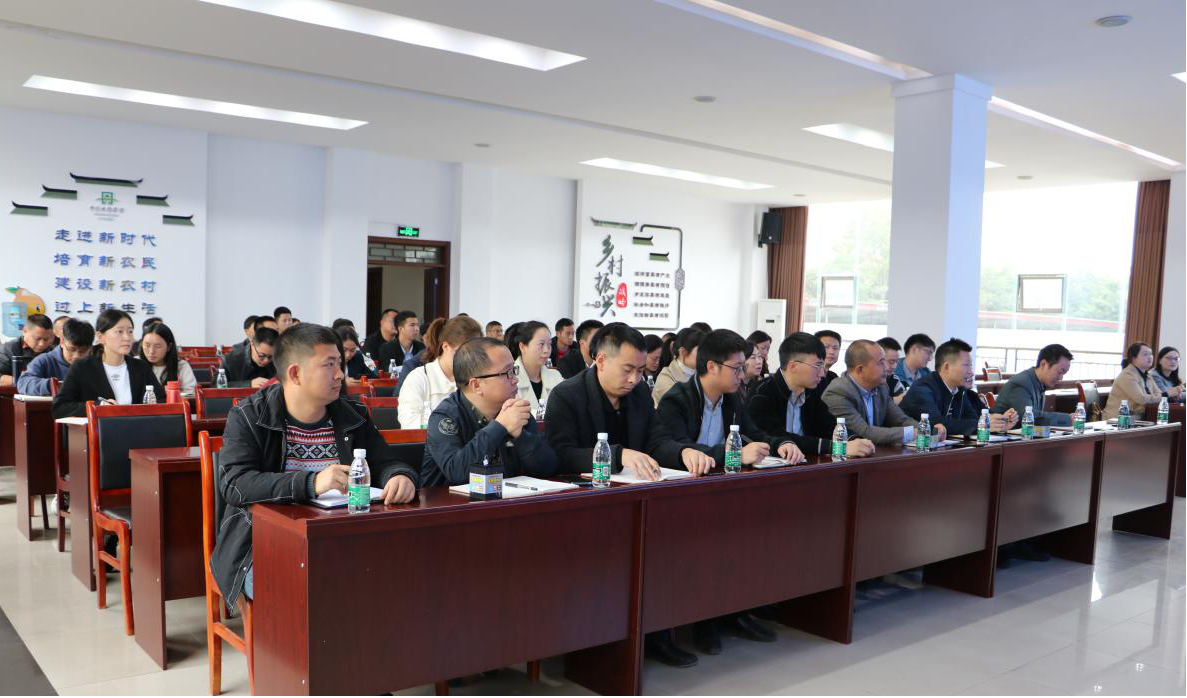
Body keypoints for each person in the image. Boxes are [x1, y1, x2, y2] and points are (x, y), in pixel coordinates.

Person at [210, 324, 418, 608]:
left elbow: (386, 461)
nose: (339, 374)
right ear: (295, 373)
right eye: (329, 365)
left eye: (340, 363)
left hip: (342, 538)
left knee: (401, 576)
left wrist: (400, 476)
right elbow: (236, 484)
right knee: (314, 592)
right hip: (262, 544)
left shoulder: (352, 414)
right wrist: (311, 483)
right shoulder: (249, 415)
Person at [544, 322, 713, 669]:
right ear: (601, 360)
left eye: (640, 370)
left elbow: (656, 441)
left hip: (636, 500)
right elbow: (561, 455)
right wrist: (620, 455)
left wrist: (683, 452)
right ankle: (598, 645)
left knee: (664, 552)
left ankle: (657, 636)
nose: (635, 378)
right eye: (627, 369)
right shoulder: (567, 395)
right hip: (585, 506)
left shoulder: (638, 395)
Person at [655, 330, 795, 654]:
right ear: (711, 366)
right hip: (681, 497)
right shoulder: (677, 399)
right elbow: (674, 448)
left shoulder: (732, 398)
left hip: (722, 492)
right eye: (736, 367)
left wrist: (782, 444)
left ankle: (733, 612)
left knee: (745, 541)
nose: (742, 374)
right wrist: (732, 454)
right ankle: (700, 623)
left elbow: (754, 433)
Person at [422, 338, 559, 487]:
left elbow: (548, 468)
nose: (515, 380)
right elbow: (457, 473)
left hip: (507, 498)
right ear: (476, 385)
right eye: (507, 373)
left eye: (514, 370)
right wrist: (499, 426)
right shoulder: (445, 417)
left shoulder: (514, 410)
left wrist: (521, 436)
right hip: (448, 500)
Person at [748, 332, 874, 457]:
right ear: (793, 366)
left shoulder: (812, 389)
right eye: (817, 366)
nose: (822, 374)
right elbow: (779, 438)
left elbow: (828, 425)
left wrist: (854, 440)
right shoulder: (762, 393)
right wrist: (837, 448)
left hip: (807, 462)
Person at [823, 340, 944, 446]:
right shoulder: (838, 391)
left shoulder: (881, 388)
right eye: (881, 362)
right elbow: (864, 432)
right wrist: (913, 433)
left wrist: (928, 429)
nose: (886, 367)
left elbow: (901, 420)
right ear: (860, 369)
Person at [53, 309, 165, 418]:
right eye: (119, 332)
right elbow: (60, 407)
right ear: (100, 337)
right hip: (97, 429)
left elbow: (162, 401)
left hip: (137, 428)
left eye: (130, 331)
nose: (127, 338)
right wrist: (98, 406)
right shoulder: (82, 368)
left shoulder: (141, 367)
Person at [901, 338, 1017, 436]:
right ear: (947, 367)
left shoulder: (960, 390)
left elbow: (972, 419)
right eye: (966, 365)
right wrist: (983, 424)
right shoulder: (922, 389)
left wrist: (1000, 423)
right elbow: (935, 424)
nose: (971, 372)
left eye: (970, 366)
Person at [397, 315, 481, 428]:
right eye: (464, 353)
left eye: (476, 353)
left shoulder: (480, 377)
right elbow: (410, 424)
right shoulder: (419, 378)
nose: (471, 359)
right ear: (445, 347)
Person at [992, 344, 1074, 426]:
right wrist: (1068, 419)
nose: (1061, 378)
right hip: (1002, 433)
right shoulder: (1021, 383)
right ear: (1043, 364)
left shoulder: (1039, 383)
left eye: (1064, 373)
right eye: (1060, 372)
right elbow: (1029, 417)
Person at [17, 318, 94, 396]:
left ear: (90, 348)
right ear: (62, 342)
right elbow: (23, 383)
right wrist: (52, 385)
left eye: (83, 351)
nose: (76, 356)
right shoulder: (44, 360)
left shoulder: (95, 364)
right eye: (71, 349)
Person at [1105, 343, 1182, 418]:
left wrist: (1171, 395)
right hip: (1119, 418)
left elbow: (1159, 394)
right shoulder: (1127, 375)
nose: (1150, 357)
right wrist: (1168, 394)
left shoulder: (1147, 376)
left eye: (1151, 354)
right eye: (1145, 354)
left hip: (1139, 417)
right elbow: (1141, 399)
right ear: (1133, 358)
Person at [510, 321, 564, 416]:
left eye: (549, 344)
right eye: (541, 344)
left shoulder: (556, 376)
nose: (547, 350)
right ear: (522, 347)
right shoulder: (510, 377)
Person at [651, 327, 705, 407]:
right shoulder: (666, 377)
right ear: (683, 352)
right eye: (700, 351)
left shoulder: (703, 373)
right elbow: (683, 405)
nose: (705, 355)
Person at [138, 322, 198, 393]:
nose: (151, 351)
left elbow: (191, 393)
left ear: (169, 347)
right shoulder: (135, 363)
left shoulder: (181, 366)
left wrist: (172, 393)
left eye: (157, 346)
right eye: (147, 345)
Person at [0, 313, 55, 386]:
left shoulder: (52, 351)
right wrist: (27, 381)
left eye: (46, 339)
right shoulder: (9, 349)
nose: (42, 344)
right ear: (24, 331)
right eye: (37, 338)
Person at [377, 310, 424, 376]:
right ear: (400, 328)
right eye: (412, 325)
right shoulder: (387, 348)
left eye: (417, 325)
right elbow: (387, 371)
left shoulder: (422, 347)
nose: (417, 329)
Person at [877, 337, 908, 404]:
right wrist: (895, 400)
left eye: (897, 362)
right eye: (891, 362)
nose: (894, 366)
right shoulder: (867, 381)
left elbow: (905, 399)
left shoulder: (893, 379)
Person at [813, 330, 843, 394]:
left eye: (835, 348)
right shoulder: (810, 375)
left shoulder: (834, 377)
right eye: (826, 347)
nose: (832, 352)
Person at [736, 340, 763, 407]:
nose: (759, 362)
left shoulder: (760, 383)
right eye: (753, 357)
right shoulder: (733, 385)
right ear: (742, 360)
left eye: (759, 356)